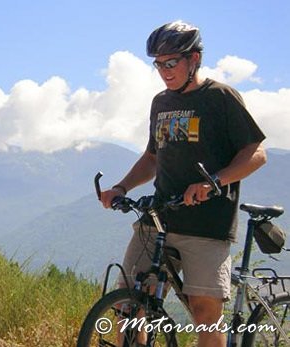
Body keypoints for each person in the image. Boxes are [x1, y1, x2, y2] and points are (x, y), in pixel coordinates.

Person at [99, 20, 266, 347]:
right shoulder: (160, 102)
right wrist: (121, 187)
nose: (164, 70)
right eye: (158, 64)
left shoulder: (220, 97)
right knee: (129, 303)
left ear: (195, 59)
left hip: (207, 223)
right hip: (159, 218)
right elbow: (152, 157)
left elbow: (256, 153)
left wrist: (214, 181)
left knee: (205, 312)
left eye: (171, 62)